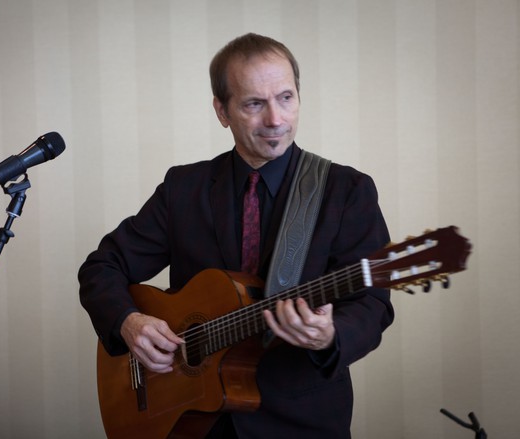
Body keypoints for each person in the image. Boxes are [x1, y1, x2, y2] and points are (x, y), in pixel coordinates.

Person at [78, 33, 394, 438]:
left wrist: (330, 335)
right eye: (254, 104)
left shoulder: (346, 191)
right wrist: (128, 321)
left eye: (286, 98)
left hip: (301, 421)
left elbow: (372, 303)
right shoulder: (183, 189)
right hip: (192, 421)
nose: (276, 119)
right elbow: (102, 267)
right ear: (222, 111)